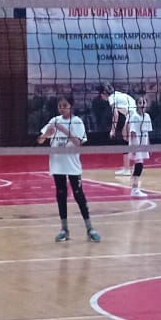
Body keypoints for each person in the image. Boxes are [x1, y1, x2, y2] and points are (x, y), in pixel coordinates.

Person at [39, 97, 99, 243]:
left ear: (71, 106)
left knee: (79, 196)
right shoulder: (54, 120)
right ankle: (64, 229)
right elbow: (40, 140)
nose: (62, 108)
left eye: (64, 105)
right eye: (60, 106)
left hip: (72, 165)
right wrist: (46, 135)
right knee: (61, 196)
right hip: (57, 165)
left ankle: (90, 228)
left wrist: (64, 130)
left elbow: (78, 143)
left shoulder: (77, 122)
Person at [127, 93, 154, 198]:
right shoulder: (134, 116)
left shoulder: (147, 116)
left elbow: (147, 132)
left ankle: (135, 187)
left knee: (138, 166)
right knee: (139, 166)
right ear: (137, 105)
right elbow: (132, 133)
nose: (142, 105)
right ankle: (134, 189)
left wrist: (149, 146)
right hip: (136, 144)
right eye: (140, 103)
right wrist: (134, 147)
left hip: (143, 144)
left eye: (144, 102)